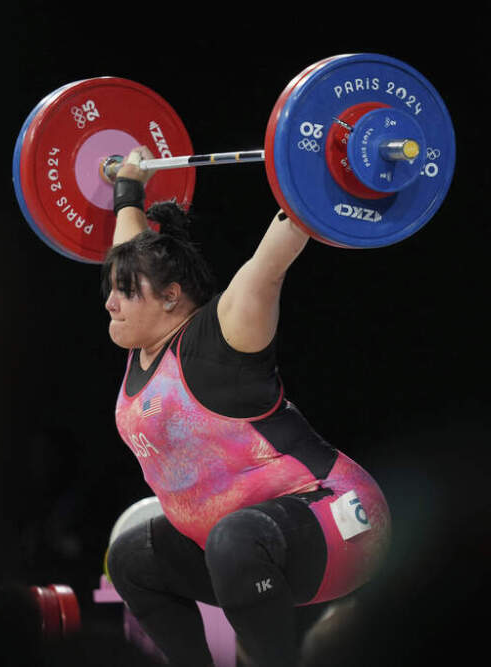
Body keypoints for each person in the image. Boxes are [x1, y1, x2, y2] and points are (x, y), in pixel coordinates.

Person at [102, 146, 391, 667]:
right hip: (244, 546)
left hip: (337, 519)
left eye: (123, 291)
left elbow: (273, 258)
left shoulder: (224, 334)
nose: (109, 301)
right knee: (133, 557)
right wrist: (127, 187)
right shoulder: (142, 339)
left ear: (170, 297)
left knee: (234, 539)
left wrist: (326, 167)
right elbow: (131, 248)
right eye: (111, 288)